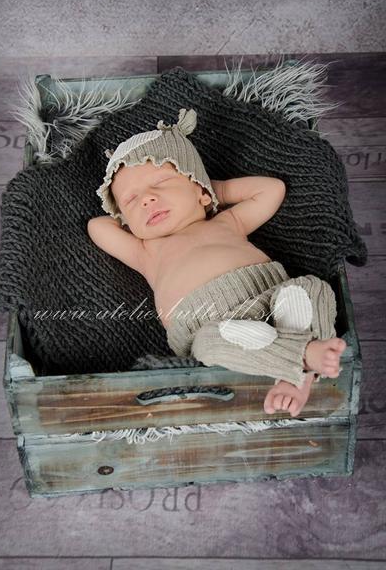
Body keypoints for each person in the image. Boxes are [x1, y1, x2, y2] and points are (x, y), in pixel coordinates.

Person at [88, 108, 347, 418]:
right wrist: (129, 219)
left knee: (310, 287)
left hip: (271, 298)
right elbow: (97, 226)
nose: (147, 199)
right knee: (207, 345)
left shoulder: (227, 222)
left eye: (161, 182)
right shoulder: (145, 251)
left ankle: (296, 367)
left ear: (200, 189)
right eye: (131, 200)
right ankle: (302, 358)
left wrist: (214, 190)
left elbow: (271, 189)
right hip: (209, 327)